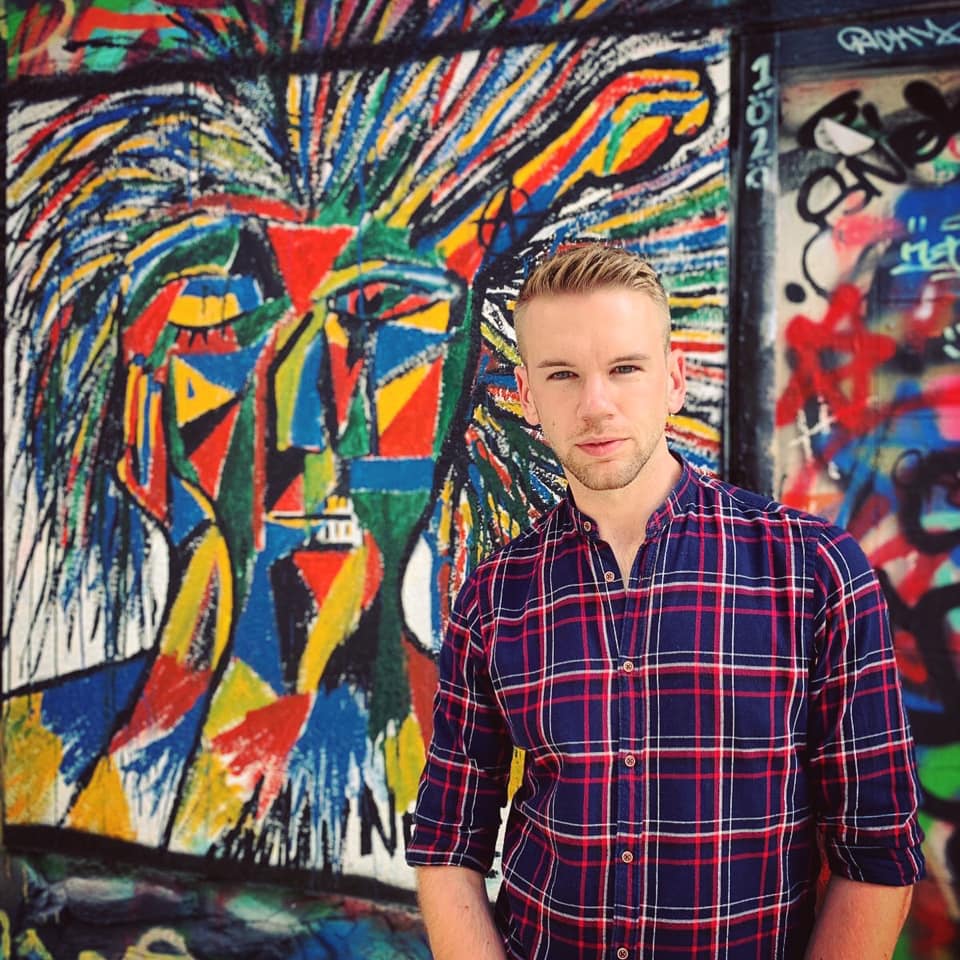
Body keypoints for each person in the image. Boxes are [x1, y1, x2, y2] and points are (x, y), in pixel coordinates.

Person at [406, 243, 925, 960]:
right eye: (563, 375)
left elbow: (878, 853)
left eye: (625, 368)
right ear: (526, 395)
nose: (596, 404)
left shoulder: (815, 574)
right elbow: (447, 843)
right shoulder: (495, 597)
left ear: (674, 378)